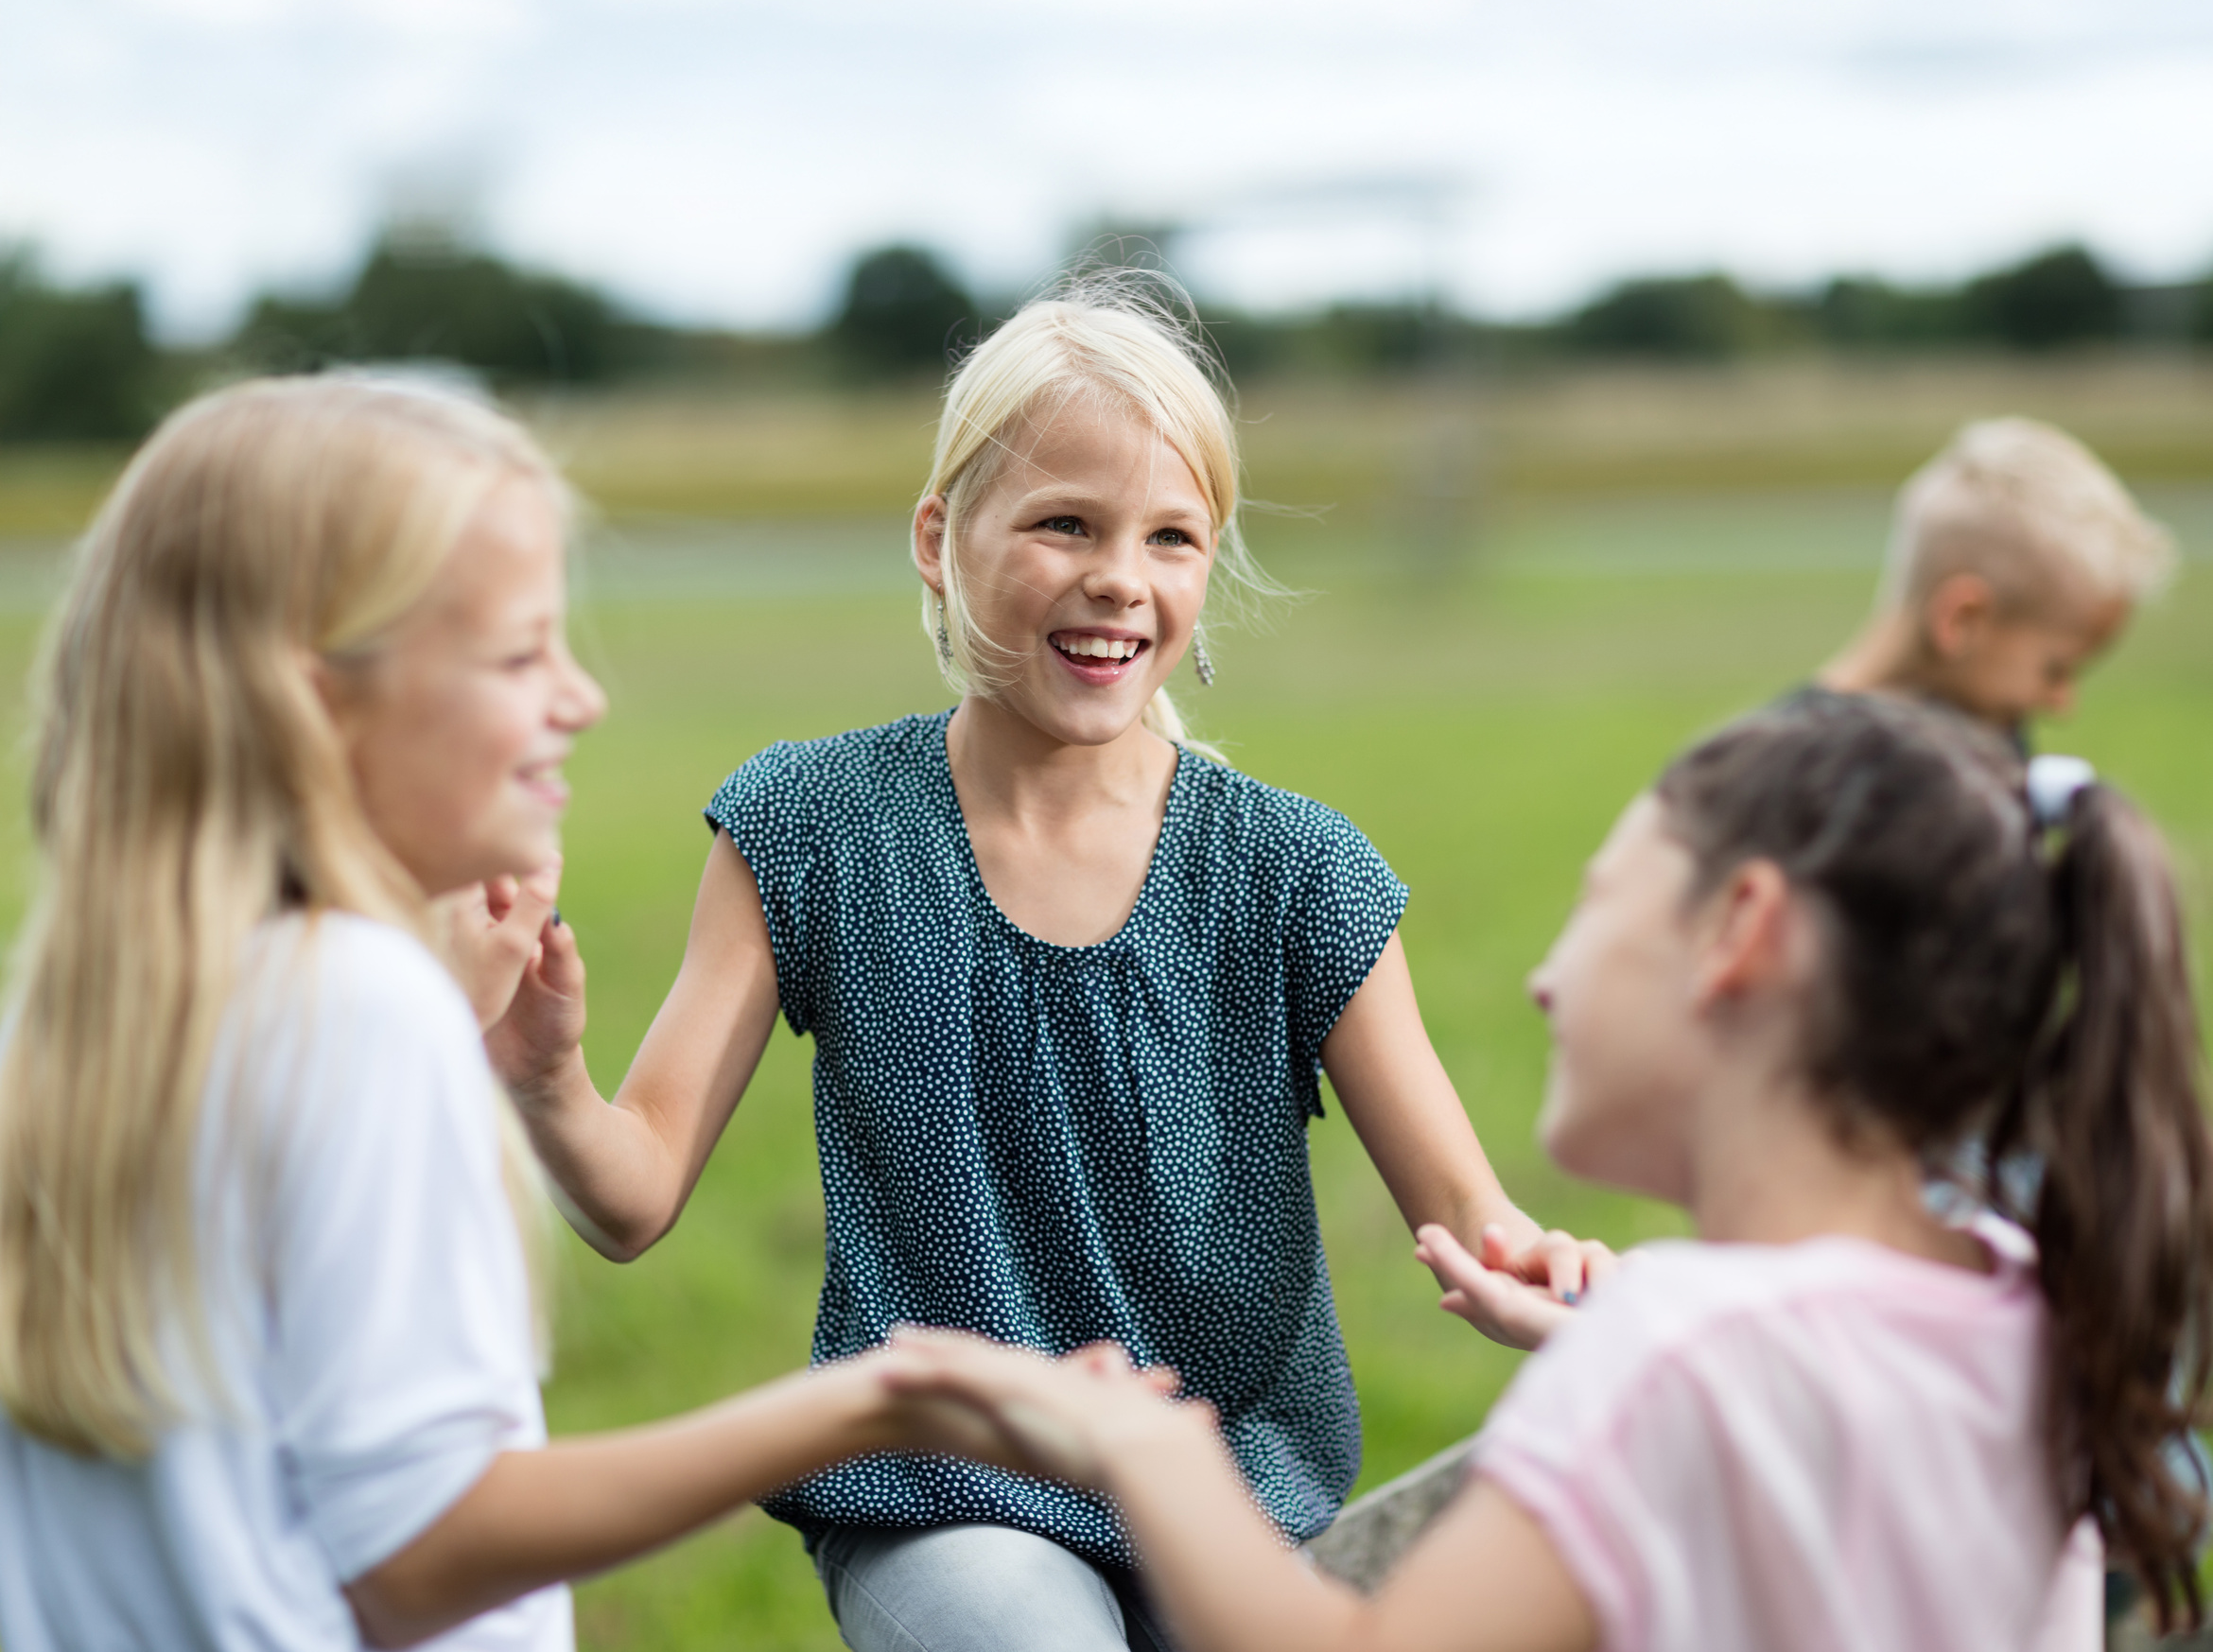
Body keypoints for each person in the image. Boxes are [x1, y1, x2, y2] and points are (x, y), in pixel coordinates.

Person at [485, 277, 1600, 1651]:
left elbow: (1473, 1225)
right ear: (939, 538)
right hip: (953, 1489)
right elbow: (633, 1190)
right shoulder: (810, 827)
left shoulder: (1301, 871)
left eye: (1172, 535)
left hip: (1236, 1487)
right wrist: (545, 1078)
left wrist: (1550, 1270)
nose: (1120, 574)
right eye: (1065, 520)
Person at [0, 377, 1010, 1652]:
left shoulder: (90, 1014)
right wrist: (877, 1405)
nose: (579, 696)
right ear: (320, 702)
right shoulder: (356, 1011)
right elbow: (414, 1553)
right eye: (521, 651)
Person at [881, 689, 2213, 1652]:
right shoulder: (2027, 1295)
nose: (1542, 972)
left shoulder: (1676, 1355)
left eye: (1597, 902)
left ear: (1739, 930)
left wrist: (1146, 1449)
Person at [1818, 416, 2174, 745]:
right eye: (2055, 670)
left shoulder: (1978, 745)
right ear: (1962, 620)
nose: (2064, 704)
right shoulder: (1807, 783)